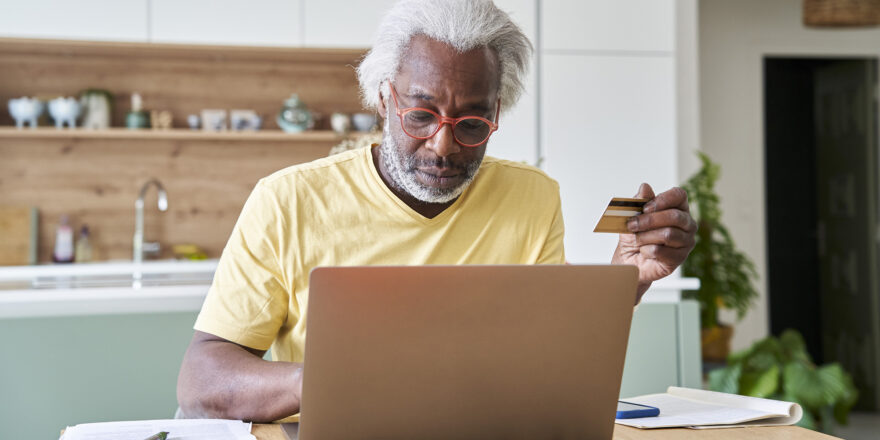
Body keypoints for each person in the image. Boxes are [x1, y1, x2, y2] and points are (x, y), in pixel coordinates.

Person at [177, 0, 697, 422]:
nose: (443, 147)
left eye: (472, 123)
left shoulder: (533, 197)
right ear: (384, 100)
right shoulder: (289, 201)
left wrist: (629, 278)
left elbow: (549, 361)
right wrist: (324, 382)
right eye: (421, 115)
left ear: (497, 112)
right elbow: (202, 381)